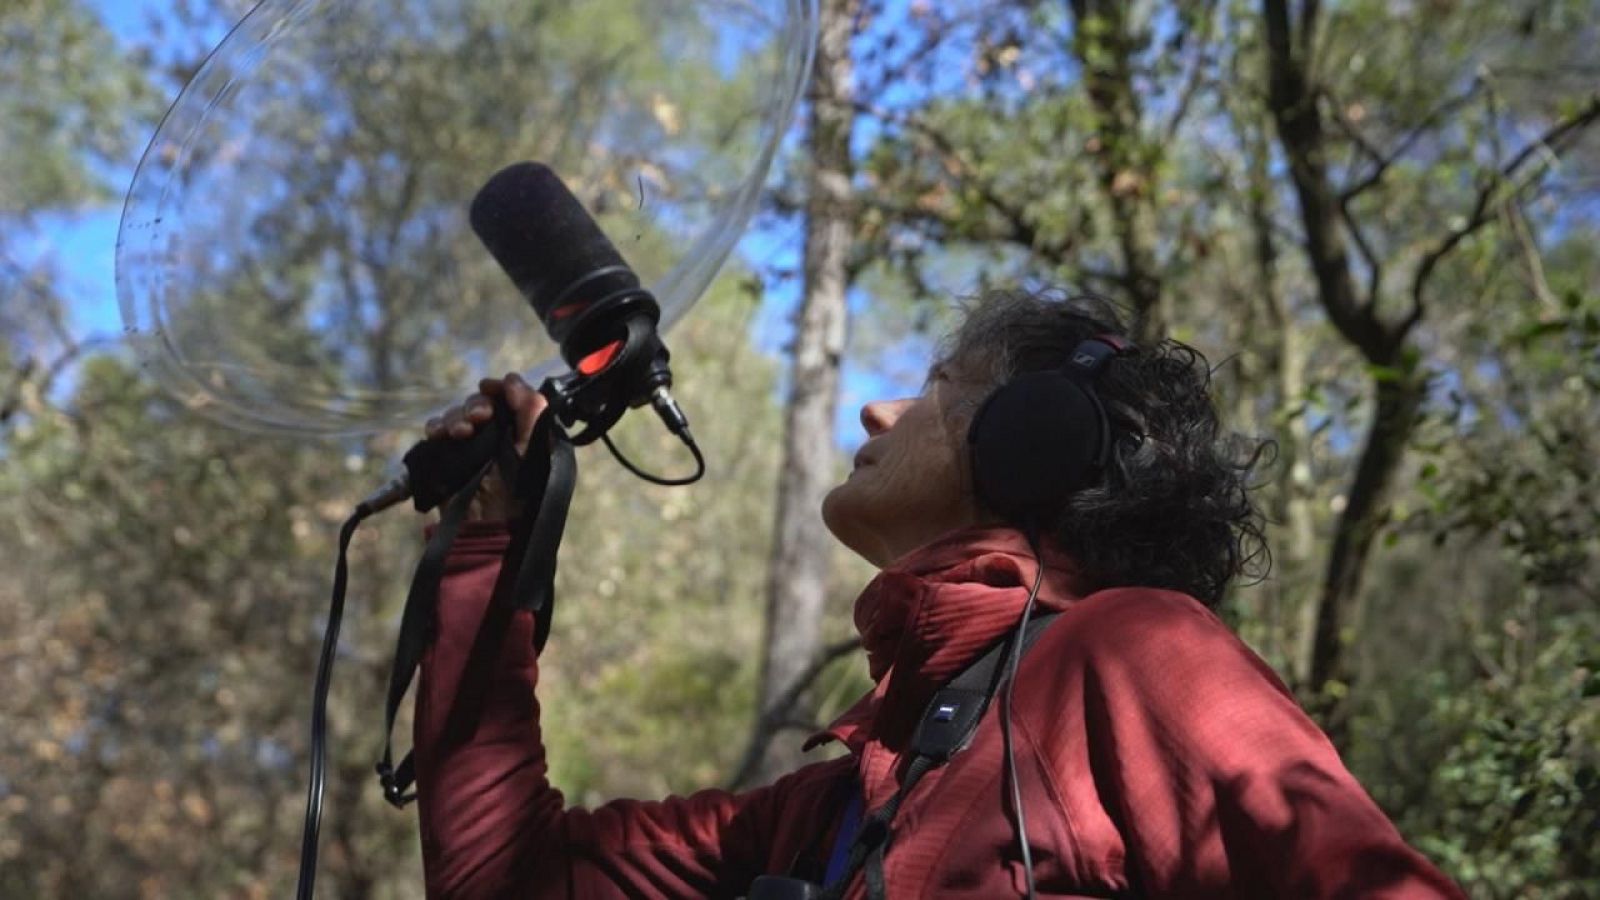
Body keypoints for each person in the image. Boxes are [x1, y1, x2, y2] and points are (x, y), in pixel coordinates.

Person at [412, 289, 1465, 898]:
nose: (875, 412)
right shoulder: (833, 809)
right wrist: (489, 546)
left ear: (1029, 439)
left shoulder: (1137, 654)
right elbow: (510, 880)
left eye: (934, 388)